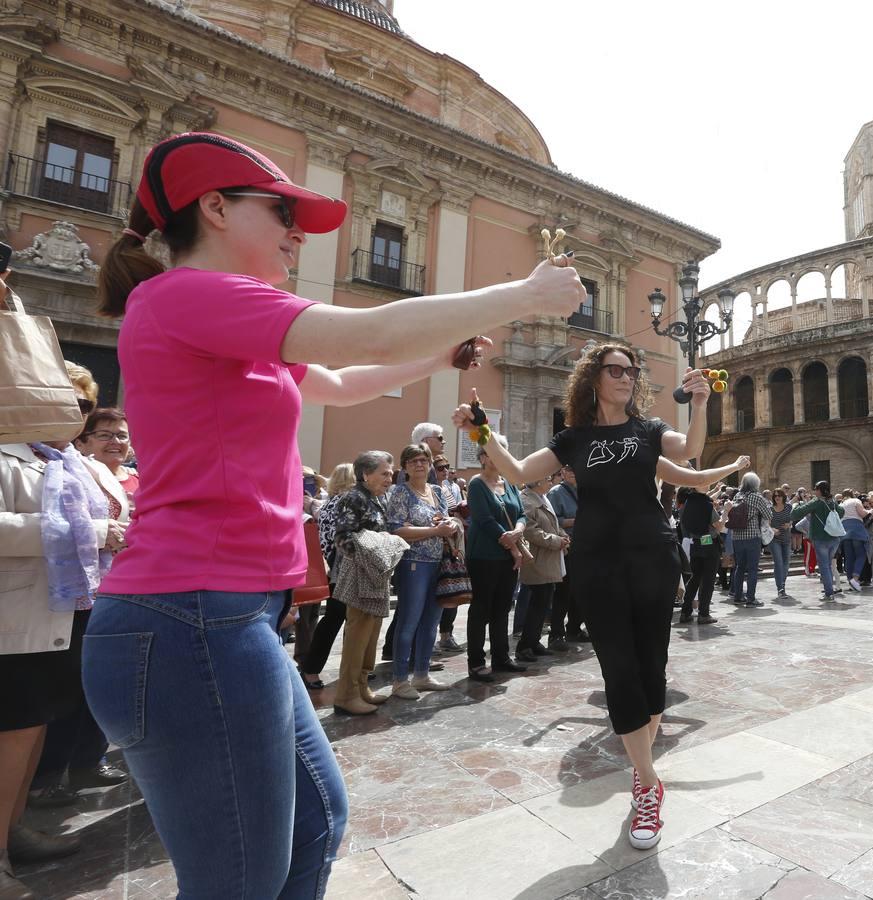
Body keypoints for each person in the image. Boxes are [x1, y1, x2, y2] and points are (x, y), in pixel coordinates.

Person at [84, 131, 585, 895]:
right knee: (239, 883)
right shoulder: (187, 294)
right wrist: (525, 296)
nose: (296, 233)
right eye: (281, 210)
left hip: (224, 617)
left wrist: (440, 355)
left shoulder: (223, 322)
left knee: (316, 825)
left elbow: (346, 380)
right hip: (188, 616)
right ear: (214, 208)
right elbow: (368, 331)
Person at [452, 343, 746, 851]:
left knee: (652, 668)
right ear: (594, 378)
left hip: (652, 557)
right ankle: (648, 783)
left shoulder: (649, 431)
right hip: (596, 562)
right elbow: (520, 472)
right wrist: (481, 430)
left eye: (632, 371)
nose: (627, 377)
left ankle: (641, 769)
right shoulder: (574, 438)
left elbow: (690, 452)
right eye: (616, 370)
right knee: (619, 669)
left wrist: (699, 403)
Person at [0, 346, 128, 896]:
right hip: (15, 621)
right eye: (67, 402)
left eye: (83, 406)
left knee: (33, 729)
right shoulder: (7, 454)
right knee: (12, 732)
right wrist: (93, 535)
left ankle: (13, 829)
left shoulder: (68, 463)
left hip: (62, 613)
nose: (75, 414)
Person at [329, 451, 401, 715]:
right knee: (357, 635)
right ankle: (346, 695)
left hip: (375, 575)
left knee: (371, 634)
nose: (389, 478)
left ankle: (361, 687)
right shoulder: (353, 498)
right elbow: (343, 537)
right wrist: (370, 555)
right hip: (360, 575)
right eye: (384, 473)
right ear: (365, 474)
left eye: (391, 473)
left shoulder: (376, 498)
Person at [385, 444, 458, 699]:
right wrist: (434, 531)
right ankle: (399, 680)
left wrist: (449, 524)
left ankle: (422, 674)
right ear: (404, 466)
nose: (419, 465)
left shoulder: (437, 491)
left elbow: (446, 519)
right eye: (413, 461)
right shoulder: (400, 493)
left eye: (423, 460)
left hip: (439, 563)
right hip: (413, 563)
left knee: (431, 622)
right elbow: (397, 530)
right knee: (409, 621)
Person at [465, 441, 528, 681]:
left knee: (502, 608)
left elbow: (521, 513)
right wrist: (512, 545)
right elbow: (484, 519)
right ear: (482, 458)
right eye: (492, 453)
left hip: (507, 554)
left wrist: (518, 531)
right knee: (481, 608)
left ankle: (501, 658)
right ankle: (476, 662)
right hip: (484, 555)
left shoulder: (509, 483)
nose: (497, 458)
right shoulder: (477, 484)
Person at [299, 463, 356, 689]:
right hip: (341, 569)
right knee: (336, 618)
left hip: (336, 568)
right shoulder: (342, 504)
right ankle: (311, 669)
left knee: (340, 619)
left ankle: (320, 668)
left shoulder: (330, 503)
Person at [517, 478, 569, 661]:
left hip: (548, 558)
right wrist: (556, 541)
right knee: (537, 603)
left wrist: (562, 536)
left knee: (544, 601)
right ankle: (524, 646)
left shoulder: (542, 497)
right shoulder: (527, 500)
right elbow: (531, 531)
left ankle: (534, 641)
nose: (551, 481)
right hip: (537, 559)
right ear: (536, 481)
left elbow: (553, 525)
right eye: (547, 479)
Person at [545, 464, 585, 648]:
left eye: (575, 468)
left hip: (584, 547)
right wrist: (577, 520)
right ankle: (556, 634)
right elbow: (553, 521)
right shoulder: (556, 493)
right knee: (563, 592)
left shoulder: (585, 489)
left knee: (581, 591)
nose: (573, 473)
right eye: (569, 469)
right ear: (562, 472)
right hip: (567, 546)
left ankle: (575, 628)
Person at [73, 407, 139, 506]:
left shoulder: (142, 483)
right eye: (104, 435)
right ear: (80, 444)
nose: (116, 441)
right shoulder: (72, 481)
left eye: (122, 436)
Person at [791, 482, 844, 600]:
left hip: (820, 539)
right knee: (828, 565)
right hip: (834, 538)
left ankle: (829, 593)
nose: (814, 491)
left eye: (815, 489)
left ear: (820, 490)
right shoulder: (833, 502)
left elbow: (796, 513)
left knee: (824, 566)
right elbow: (842, 512)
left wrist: (795, 505)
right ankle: (829, 589)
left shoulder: (817, 502)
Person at [727, 472, 772, 607]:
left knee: (739, 567)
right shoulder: (756, 497)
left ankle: (738, 596)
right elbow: (768, 514)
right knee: (752, 569)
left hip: (736, 537)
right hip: (752, 537)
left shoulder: (737, 496)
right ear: (756, 484)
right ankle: (751, 599)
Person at [676, 486, 719, 624]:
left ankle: (685, 612)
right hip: (708, 543)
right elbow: (719, 526)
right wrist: (727, 512)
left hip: (695, 542)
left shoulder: (685, 505)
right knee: (708, 581)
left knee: (694, 580)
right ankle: (704, 614)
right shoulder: (706, 505)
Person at [767, 489, 795, 598]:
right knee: (778, 563)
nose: (777, 497)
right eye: (775, 496)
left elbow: (792, 519)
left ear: (783, 496)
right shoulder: (770, 509)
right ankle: (780, 589)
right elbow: (766, 524)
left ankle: (782, 584)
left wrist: (789, 524)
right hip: (774, 539)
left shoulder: (789, 507)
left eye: (779, 495)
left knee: (786, 563)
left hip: (786, 539)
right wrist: (772, 529)